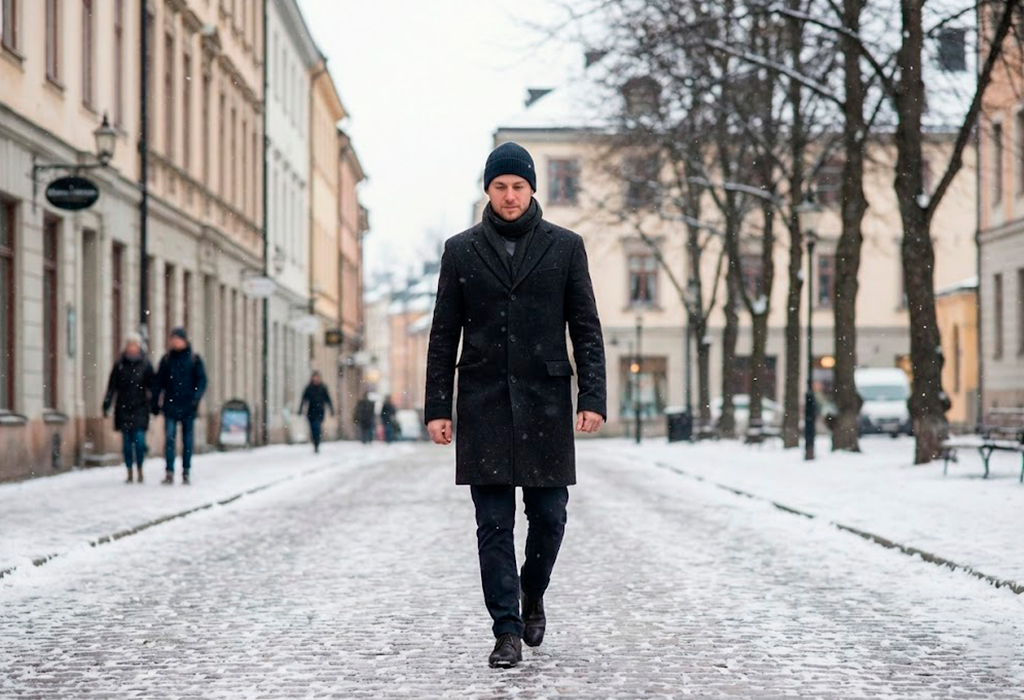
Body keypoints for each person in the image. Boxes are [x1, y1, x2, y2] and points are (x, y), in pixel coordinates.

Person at [424, 142, 606, 668]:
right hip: (483, 403)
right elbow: (443, 334)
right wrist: (439, 406)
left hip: (546, 403)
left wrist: (592, 395)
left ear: (532, 190)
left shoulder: (566, 247)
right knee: (493, 524)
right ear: (488, 190)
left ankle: (533, 594)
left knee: (550, 517)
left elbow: (585, 327)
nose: (509, 195)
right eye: (500, 186)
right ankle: (505, 629)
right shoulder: (460, 250)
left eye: (518, 186)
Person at [151, 327, 207, 485]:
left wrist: (196, 398)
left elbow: (201, 381)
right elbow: (158, 383)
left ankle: (186, 471)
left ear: (184, 340)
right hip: (170, 405)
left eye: (177, 339)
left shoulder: (194, 359)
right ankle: (169, 471)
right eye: (173, 339)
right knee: (169, 439)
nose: (175, 342)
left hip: (188, 406)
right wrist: (155, 403)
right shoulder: (167, 359)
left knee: (187, 441)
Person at [102, 333, 155, 483]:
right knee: (126, 443)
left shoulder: (145, 364)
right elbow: (112, 386)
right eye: (129, 344)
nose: (132, 347)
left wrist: (154, 404)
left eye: (134, 345)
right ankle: (129, 470)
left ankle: (139, 468)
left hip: (140, 407)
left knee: (139, 441)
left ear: (138, 347)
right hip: (123, 407)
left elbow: (153, 386)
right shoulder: (119, 365)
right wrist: (107, 403)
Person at [298, 370, 334, 453]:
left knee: (317, 427)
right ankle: (315, 442)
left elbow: (328, 399)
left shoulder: (323, 388)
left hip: (320, 411)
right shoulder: (309, 388)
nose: (316, 379)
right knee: (312, 428)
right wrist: (300, 409)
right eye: (314, 377)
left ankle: (317, 443)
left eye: (317, 377)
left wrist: (331, 410)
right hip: (311, 411)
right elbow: (304, 399)